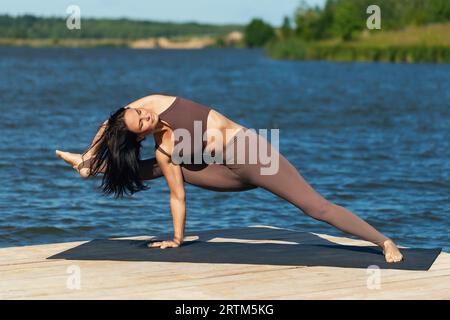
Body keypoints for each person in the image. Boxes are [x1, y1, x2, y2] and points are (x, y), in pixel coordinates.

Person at [56, 94, 403, 263]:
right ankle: (94, 167)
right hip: (222, 174)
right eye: (141, 123)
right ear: (140, 136)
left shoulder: (155, 102)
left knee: (314, 207)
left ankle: (383, 241)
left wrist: (89, 152)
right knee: (165, 165)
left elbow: (110, 123)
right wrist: (177, 239)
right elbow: (177, 196)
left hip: (253, 156)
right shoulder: (163, 147)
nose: (145, 115)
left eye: (140, 113)